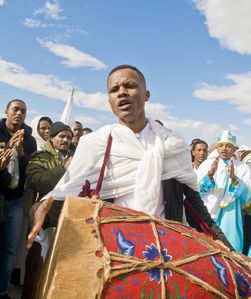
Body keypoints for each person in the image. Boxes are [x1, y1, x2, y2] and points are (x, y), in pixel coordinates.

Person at [27, 65, 233, 260]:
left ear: (146, 94)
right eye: (114, 89)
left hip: (167, 254)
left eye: (130, 86)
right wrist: (39, 209)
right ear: (109, 100)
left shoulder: (173, 145)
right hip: (113, 256)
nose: (122, 92)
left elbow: (195, 207)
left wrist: (229, 250)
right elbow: (67, 195)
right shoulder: (95, 145)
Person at [14, 121, 73, 299]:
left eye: (68, 137)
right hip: (43, 219)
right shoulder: (40, 157)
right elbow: (36, 181)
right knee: (35, 265)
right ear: (52, 138)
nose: (65, 140)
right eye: (61, 136)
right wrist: (63, 169)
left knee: (61, 266)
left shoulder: (78, 158)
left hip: (67, 219)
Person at [0, 99, 37, 299]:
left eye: (23, 111)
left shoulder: (29, 140)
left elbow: (30, 172)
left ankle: (2, 291)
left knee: (10, 250)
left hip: (14, 201)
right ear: (6, 111)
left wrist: (21, 154)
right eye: (15, 109)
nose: (19, 113)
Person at [196, 130, 251, 255]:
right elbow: (195, 191)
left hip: (231, 219)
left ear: (234, 149)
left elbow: (248, 198)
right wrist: (208, 177)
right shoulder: (206, 165)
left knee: (232, 254)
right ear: (217, 147)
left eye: (228, 146)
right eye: (221, 145)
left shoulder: (242, 168)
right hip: (208, 217)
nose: (224, 149)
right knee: (207, 253)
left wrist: (235, 180)